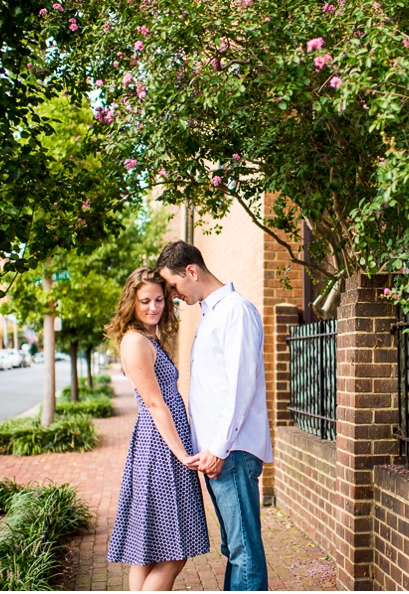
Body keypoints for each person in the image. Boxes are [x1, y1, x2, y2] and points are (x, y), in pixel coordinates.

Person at [157, 240, 273, 591]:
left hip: (230, 453)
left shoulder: (235, 311)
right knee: (234, 548)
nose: (174, 296)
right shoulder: (212, 313)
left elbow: (242, 385)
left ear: (191, 271)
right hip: (218, 454)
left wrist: (219, 447)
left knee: (244, 551)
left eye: (174, 286)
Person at [105, 267, 210, 591]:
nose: (154, 307)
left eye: (159, 299)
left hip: (162, 446)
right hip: (161, 450)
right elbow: (154, 404)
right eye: (145, 301)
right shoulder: (135, 341)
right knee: (175, 553)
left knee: (148, 553)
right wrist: (181, 453)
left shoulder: (149, 337)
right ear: (131, 303)